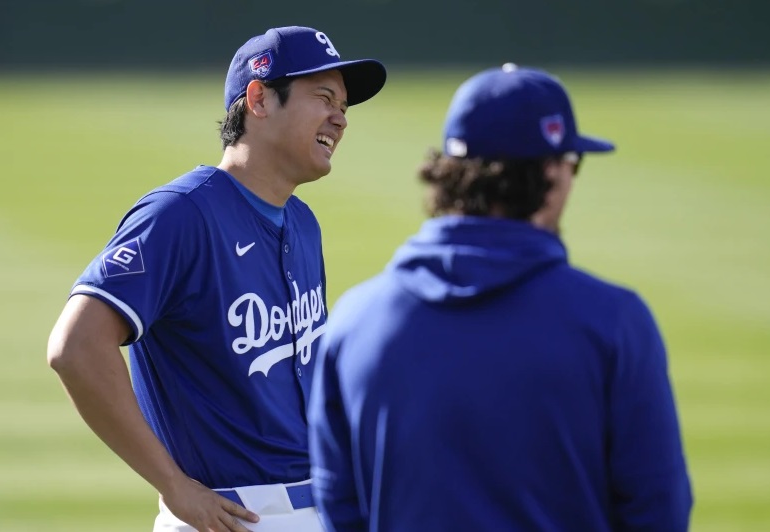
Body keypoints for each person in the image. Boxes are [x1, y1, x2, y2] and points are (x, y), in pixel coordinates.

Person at [307, 64, 693, 531]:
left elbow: (339, 506)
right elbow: (657, 510)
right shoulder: (613, 321)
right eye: (574, 163)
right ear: (552, 172)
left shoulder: (354, 321)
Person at [47, 26, 386, 532]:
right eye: (323, 97)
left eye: (343, 105)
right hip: (230, 516)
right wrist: (173, 485)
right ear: (259, 98)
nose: (340, 118)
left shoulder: (302, 222)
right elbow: (75, 347)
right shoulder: (179, 215)